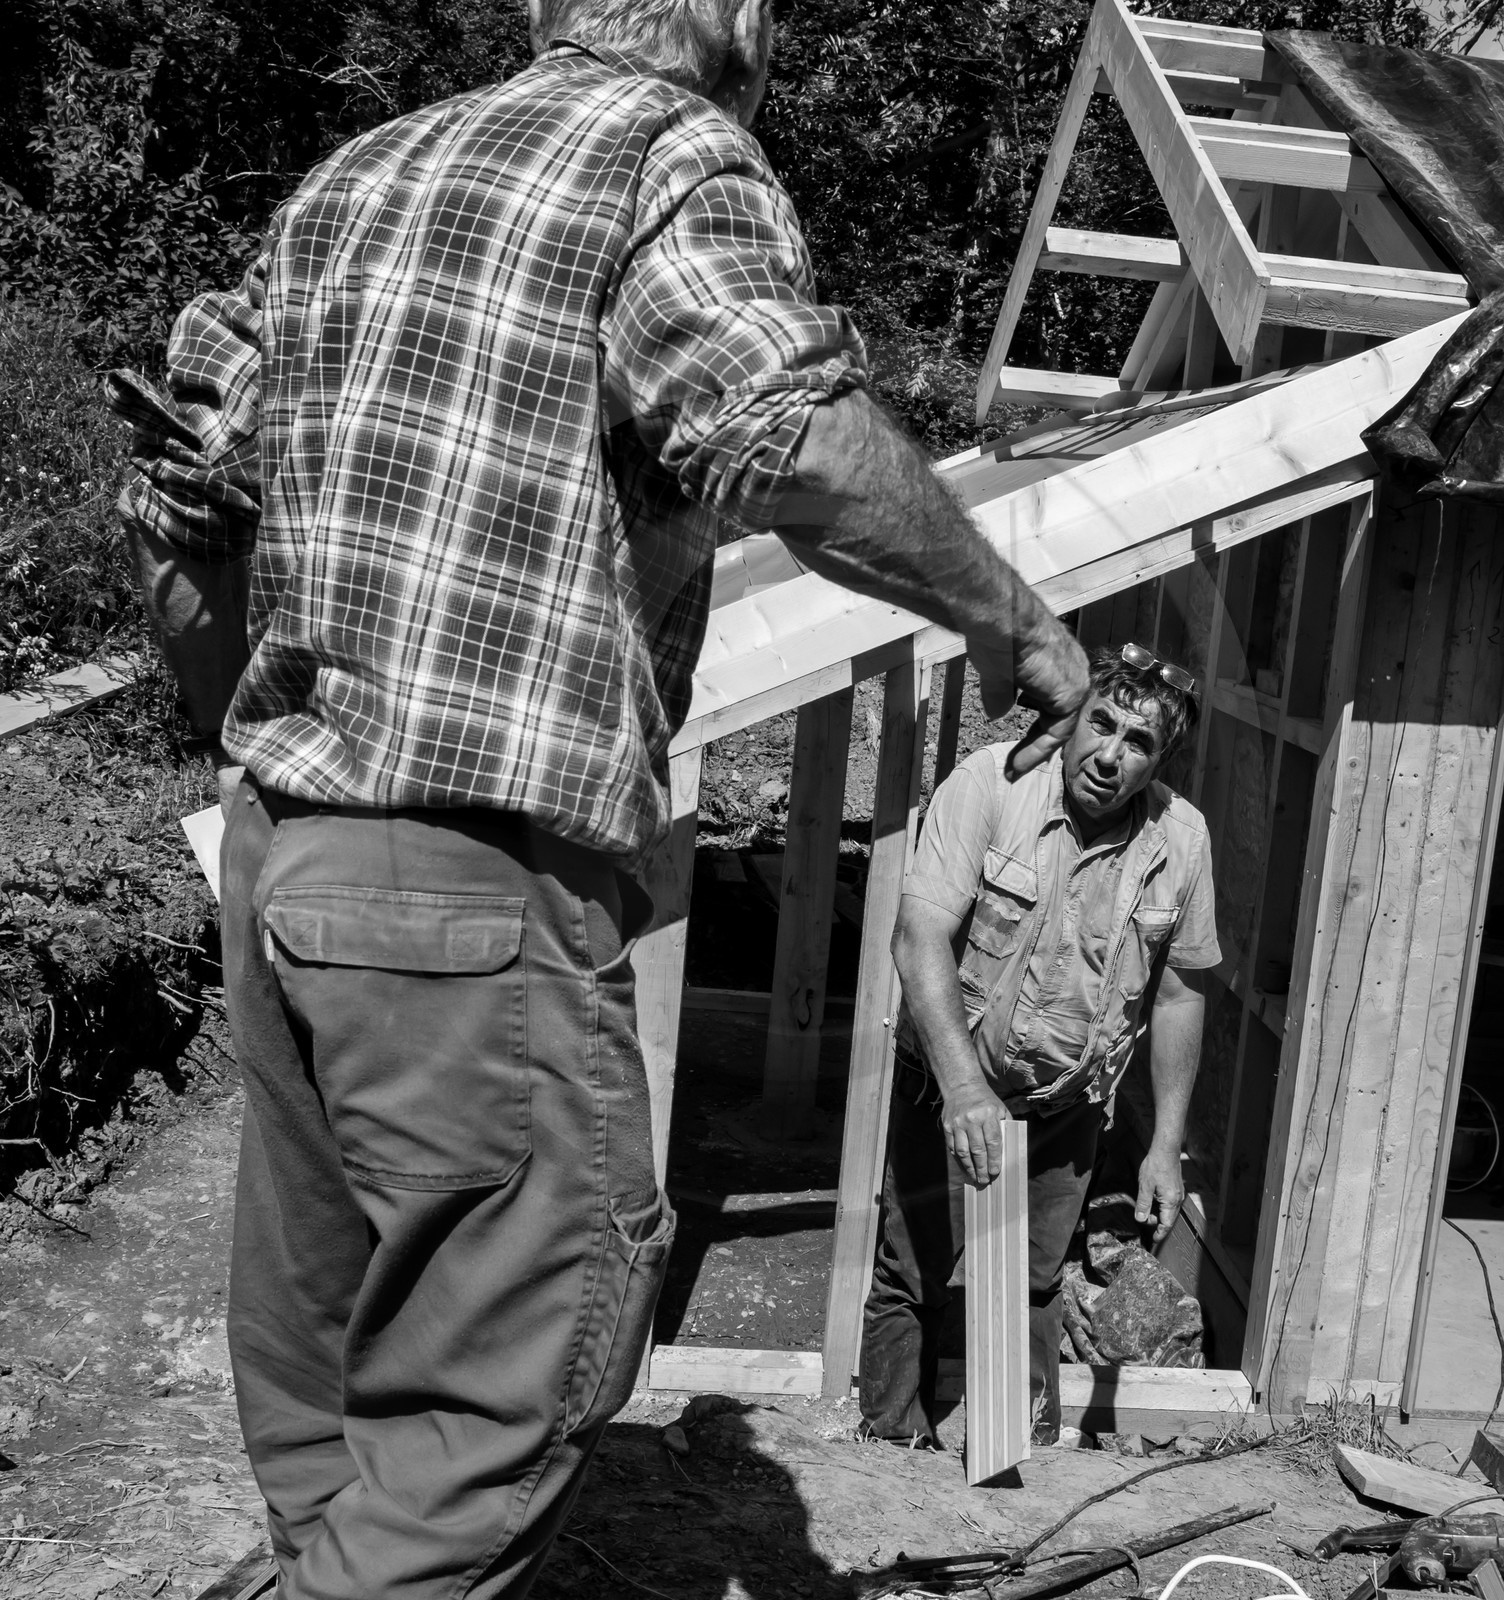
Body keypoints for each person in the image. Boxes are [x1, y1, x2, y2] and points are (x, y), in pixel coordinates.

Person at [111, 2, 1092, 1595]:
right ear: (736, 19)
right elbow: (789, 436)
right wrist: (1015, 622)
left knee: (332, 1397)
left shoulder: (353, 179)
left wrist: (286, 749)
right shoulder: (665, 152)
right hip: (469, 890)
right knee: (500, 1399)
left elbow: (180, 524)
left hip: (286, 869)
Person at [857, 642, 1220, 1450]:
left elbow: (1178, 995)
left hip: (1068, 1102)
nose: (1110, 756)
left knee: (1031, 1281)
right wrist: (963, 1089)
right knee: (915, 1270)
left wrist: (1165, 1146)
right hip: (950, 1077)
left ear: (1159, 762)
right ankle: (890, 1448)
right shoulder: (992, 785)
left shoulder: (1182, 840)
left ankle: (1007, 1456)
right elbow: (919, 938)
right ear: (1074, 720)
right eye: (1102, 724)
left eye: (1138, 742)